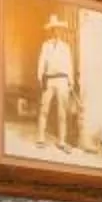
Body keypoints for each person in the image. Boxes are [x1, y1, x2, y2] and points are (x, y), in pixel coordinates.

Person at [34, 13, 80, 152]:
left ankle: (61, 141)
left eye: (58, 29)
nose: (56, 31)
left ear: (61, 30)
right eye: (53, 29)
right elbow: (41, 62)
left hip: (62, 80)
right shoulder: (45, 46)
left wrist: (70, 82)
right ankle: (41, 138)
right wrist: (40, 77)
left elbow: (69, 65)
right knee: (44, 109)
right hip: (49, 79)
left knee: (62, 112)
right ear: (51, 30)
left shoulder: (65, 47)